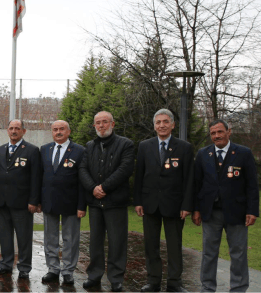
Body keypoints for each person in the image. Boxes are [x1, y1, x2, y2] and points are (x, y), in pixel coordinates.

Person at [192, 119, 259, 292]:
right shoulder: (202, 154)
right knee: (208, 254)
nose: (216, 136)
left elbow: (252, 184)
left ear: (229, 132)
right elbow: (196, 184)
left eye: (220, 132)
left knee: (238, 254)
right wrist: (196, 209)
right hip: (210, 212)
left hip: (236, 212)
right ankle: (207, 288)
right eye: (213, 133)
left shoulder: (243, 153)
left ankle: (238, 288)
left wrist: (252, 211)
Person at [134, 109, 194, 292]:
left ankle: (175, 283)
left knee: (174, 246)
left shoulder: (184, 147)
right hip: (150, 204)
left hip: (174, 205)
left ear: (173, 125)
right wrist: (138, 201)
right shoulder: (145, 146)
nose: (162, 125)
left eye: (165, 122)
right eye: (158, 122)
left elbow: (189, 179)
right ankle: (153, 281)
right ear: (154, 126)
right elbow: (139, 176)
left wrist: (187, 205)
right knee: (151, 245)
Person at [79, 111, 134, 292]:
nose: (101, 126)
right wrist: (93, 187)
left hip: (115, 202)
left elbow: (125, 169)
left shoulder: (125, 144)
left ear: (113, 124)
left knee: (117, 242)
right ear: (94, 126)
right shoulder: (89, 146)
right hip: (95, 202)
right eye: (98, 123)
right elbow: (83, 169)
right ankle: (94, 276)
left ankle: (116, 278)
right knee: (95, 242)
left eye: (105, 122)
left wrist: (104, 188)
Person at [0, 119, 41, 279]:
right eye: (11, 128)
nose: (14, 131)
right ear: (7, 130)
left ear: (23, 131)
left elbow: (36, 178)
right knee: (5, 236)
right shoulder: (0, 150)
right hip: (3, 202)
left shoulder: (32, 150)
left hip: (22, 203)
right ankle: (5, 264)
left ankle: (24, 267)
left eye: (17, 128)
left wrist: (34, 200)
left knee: (23, 237)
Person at [39, 120, 86, 285]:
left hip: (71, 203)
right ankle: (53, 269)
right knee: (50, 238)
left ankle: (68, 271)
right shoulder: (45, 149)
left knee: (70, 239)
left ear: (69, 131)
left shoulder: (80, 151)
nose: (58, 132)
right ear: (52, 132)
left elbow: (82, 181)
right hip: (49, 201)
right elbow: (40, 177)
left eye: (61, 129)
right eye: (55, 129)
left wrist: (82, 205)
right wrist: (39, 201)